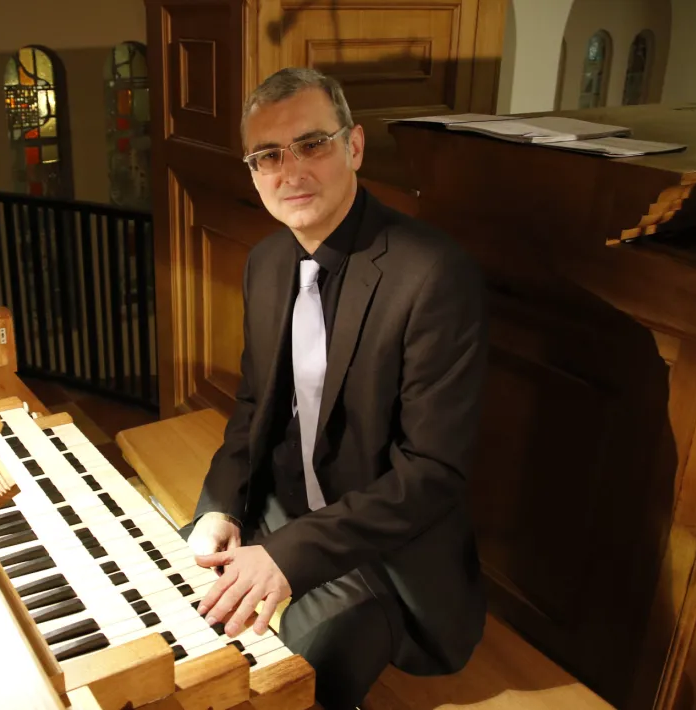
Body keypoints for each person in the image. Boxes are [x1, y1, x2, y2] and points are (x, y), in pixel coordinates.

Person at [183, 67, 489, 710]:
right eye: (268, 155)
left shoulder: (434, 274)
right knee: (178, 624)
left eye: (311, 144)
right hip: (282, 514)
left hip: (386, 560)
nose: (290, 171)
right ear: (253, 172)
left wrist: (288, 557)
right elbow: (252, 409)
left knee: (279, 692)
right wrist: (221, 508)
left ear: (354, 145)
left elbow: (432, 473)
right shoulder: (268, 262)